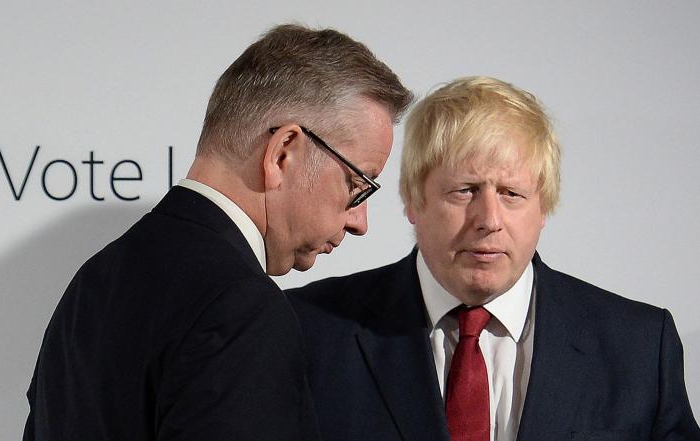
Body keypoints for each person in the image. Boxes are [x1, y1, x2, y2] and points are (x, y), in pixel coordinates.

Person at [23, 24, 412, 441]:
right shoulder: (242, 310)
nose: (360, 222)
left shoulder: (92, 281)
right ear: (282, 153)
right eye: (357, 185)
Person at [288, 76, 700, 441]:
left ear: (544, 209)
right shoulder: (306, 329)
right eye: (464, 190)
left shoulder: (640, 346)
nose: (488, 220)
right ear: (414, 200)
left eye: (511, 194)